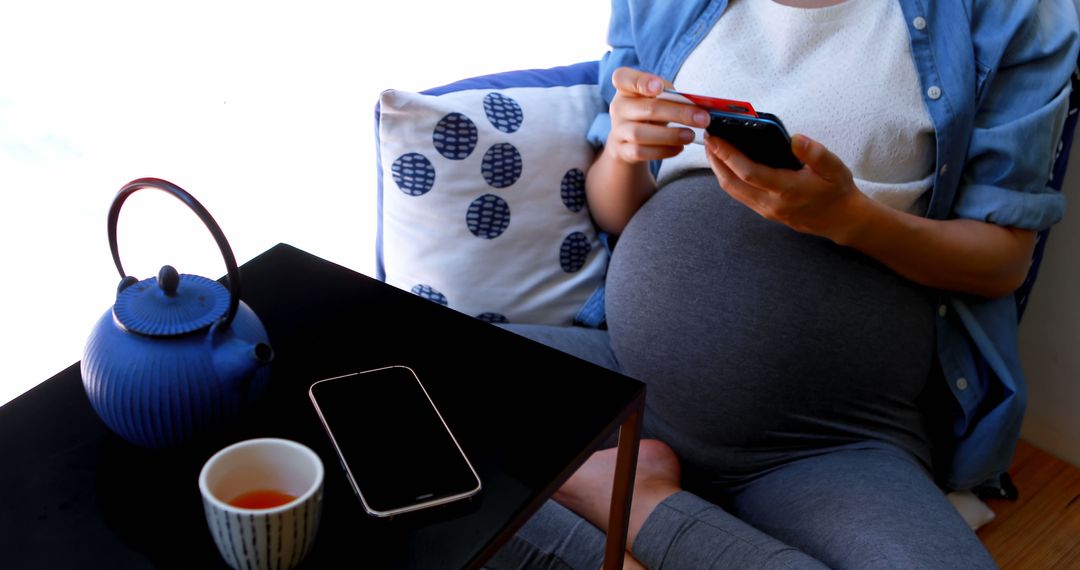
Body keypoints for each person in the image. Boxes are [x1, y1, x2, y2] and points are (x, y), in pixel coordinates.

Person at [488, 0, 1079, 568]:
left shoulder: (1012, 13)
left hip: (828, 438)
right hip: (623, 375)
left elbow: (1001, 264)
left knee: (485, 507)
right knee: (405, 430)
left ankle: (637, 506)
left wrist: (848, 218)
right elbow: (614, 210)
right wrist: (621, 150)